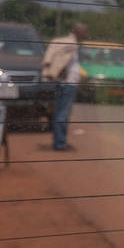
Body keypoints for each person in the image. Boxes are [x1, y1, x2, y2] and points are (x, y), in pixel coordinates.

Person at [41, 21, 88, 152]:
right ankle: (60, 143)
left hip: (67, 83)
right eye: (84, 31)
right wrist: (59, 69)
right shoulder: (70, 44)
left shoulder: (73, 44)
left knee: (61, 113)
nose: (86, 34)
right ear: (77, 31)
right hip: (66, 84)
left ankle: (60, 141)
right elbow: (59, 58)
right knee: (62, 114)